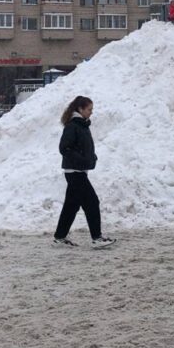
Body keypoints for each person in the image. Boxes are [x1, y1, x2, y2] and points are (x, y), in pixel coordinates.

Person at [53, 96, 115, 248]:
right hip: (75, 172)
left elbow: (82, 146)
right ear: (80, 109)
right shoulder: (73, 126)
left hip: (78, 171)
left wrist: (91, 157)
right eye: (89, 109)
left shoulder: (82, 125)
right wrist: (81, 159)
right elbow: (64, 148)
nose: (91, 112)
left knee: (71, 205)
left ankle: (60, 238)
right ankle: (97, 238)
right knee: (92, 202)